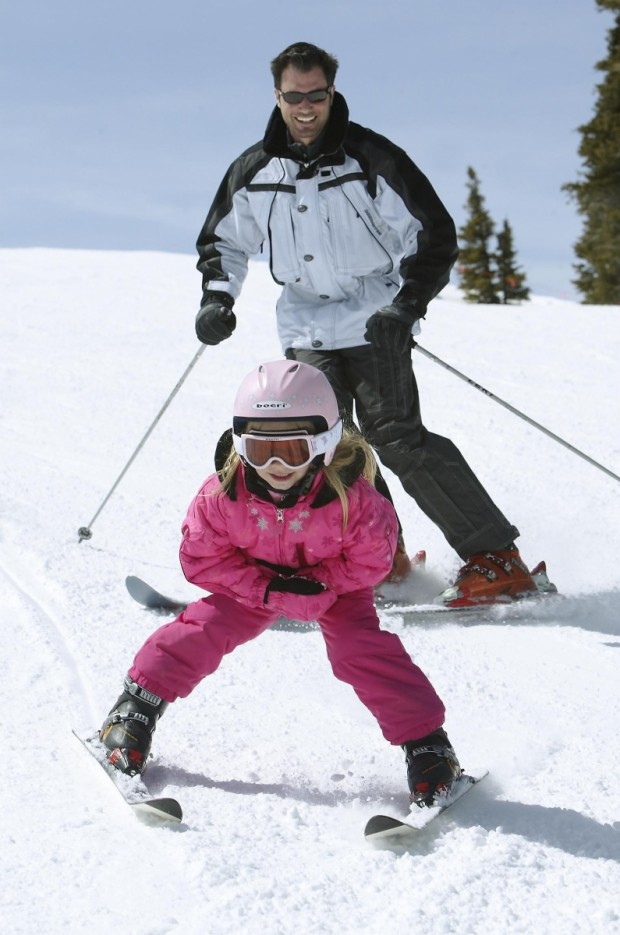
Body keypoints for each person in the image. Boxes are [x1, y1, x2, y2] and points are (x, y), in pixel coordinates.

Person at [193, 41, 540, 606]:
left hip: (373, 319)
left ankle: (495, 558)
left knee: (395, 437)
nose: (305, 107)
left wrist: (404, 307)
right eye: (293, 96)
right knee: (321, 448)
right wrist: (217, 298)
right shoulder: (255, 171)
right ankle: (379, 556)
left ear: (332, 91)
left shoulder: (370, 158)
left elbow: (431, 235)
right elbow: (223, 241)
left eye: (317, 95)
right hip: (306, 328)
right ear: (276, 97)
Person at [100, 359, 461, 806]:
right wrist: (266, 589)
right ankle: (135, 708)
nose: (274, 465)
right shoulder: (221, 495)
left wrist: (321, 585)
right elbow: (201, 559)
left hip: (334, 588)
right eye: (258, 449)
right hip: (256, 580)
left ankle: (428, 744)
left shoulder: (355, 501)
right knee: (204, 627)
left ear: (325, 442)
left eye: (291, 450)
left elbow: (373, 563)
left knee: (359, 649)